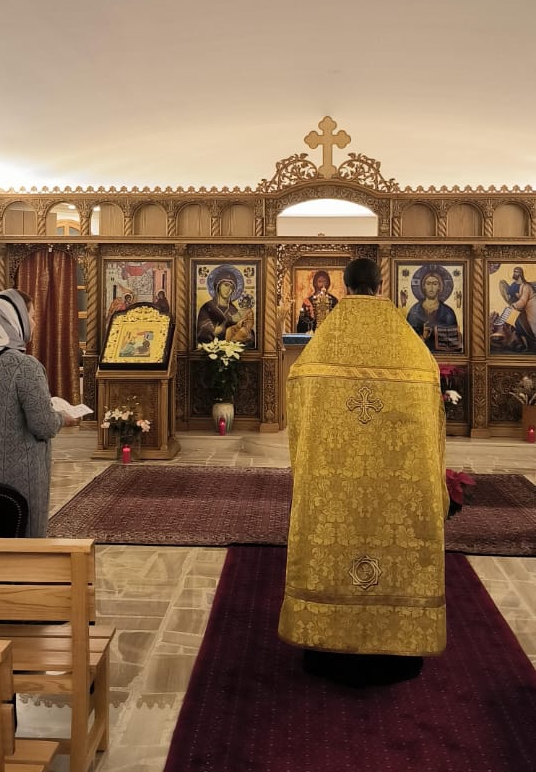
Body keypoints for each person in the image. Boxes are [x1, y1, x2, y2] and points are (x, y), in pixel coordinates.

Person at [279, 257, 449, 686]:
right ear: (379, 285)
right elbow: (431, 414)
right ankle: (397, 647)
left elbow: (298, 397)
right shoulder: (407, 344)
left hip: (332, 476)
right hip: (398, 478)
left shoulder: (325, 343)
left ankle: (325, 642)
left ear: (347, 286)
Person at [0, 288, 78, 537]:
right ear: (16, 319)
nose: (34, 323)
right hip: (18, 481)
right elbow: (43, 425)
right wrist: (62, 417)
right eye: (31, 316)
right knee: (23, 544)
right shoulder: (25, 367)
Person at [196, 267, 255, 347]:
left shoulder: (234, 310)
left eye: (232, 287)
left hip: (231, 349)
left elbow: (241, 332)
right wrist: (213, 330)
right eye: (226, 285)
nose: (229, 289)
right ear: (218, 286)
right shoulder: (207, 308)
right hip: (211, 350)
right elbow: (201, 331)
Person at [406, 268, 459, 351]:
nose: (431, 287)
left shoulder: (448, 313)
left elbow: (453, 343)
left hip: (443, 355)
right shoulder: (414, 311)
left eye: (435, 284)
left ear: (439, 287)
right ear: (423, 286)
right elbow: (407, 341)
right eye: (428, 283)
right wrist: (423, 337)